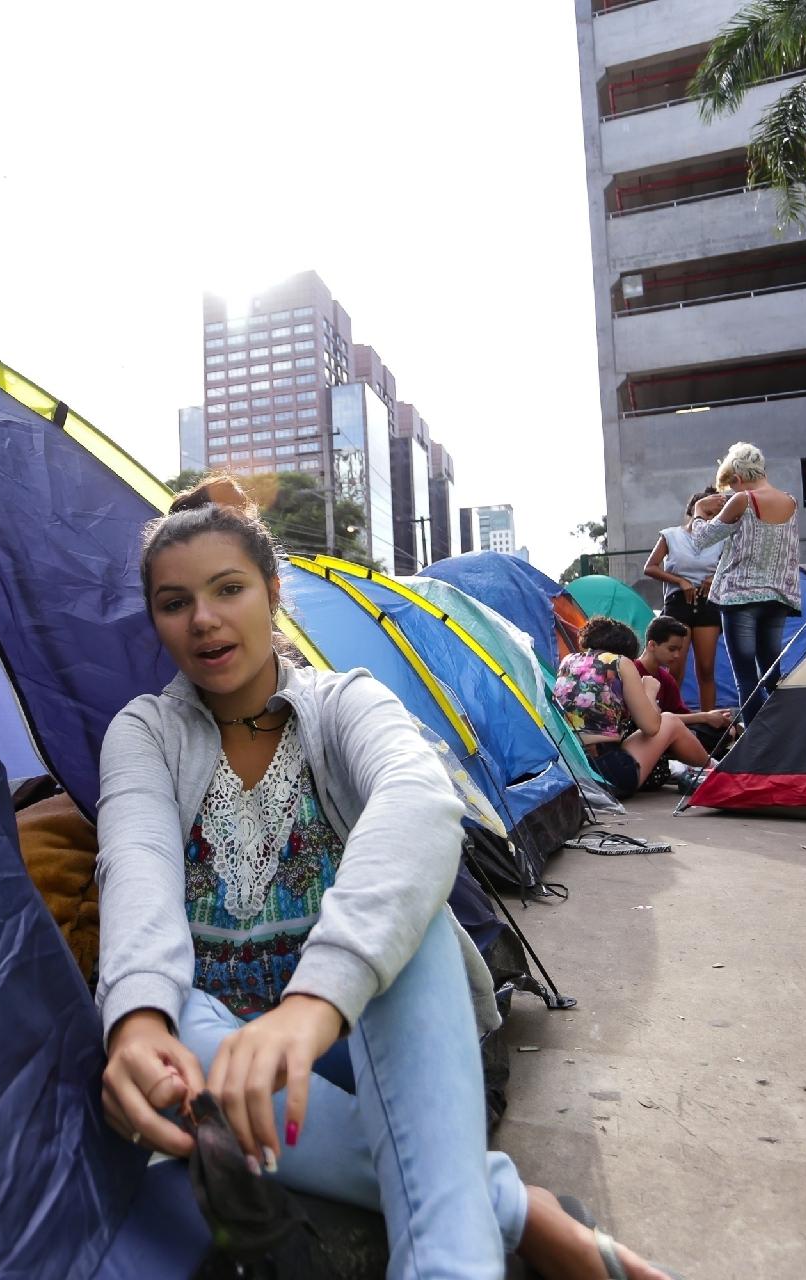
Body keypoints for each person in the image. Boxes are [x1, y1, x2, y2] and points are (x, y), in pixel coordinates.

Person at [96, 478, 670, 1279]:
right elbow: (136, 871)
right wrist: (131, 1024)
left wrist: (314, 1003)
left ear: (272, 592)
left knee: (421, 928)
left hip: (373, 1030)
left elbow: (421, 803)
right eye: (174, 601)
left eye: (228, 589)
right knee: (170, 1031)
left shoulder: (344, 703)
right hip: (227, 1051)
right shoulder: (145, 733)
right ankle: (512, 1207)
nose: (203, 620)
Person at [689, 443, 801, 726]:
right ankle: (785, 731)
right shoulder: (790, 502)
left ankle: (756, 746)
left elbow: (701, 539)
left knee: (746, 679)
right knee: (772, 674)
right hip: (778, 598)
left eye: (731, 486)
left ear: (737, 478)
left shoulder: (743, 500)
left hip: (740, 599)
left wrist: (700, 509)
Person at [549, 615, 714, 800]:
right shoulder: (621, 662)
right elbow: (651, 727)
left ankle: (709, 767)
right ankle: (718, 769)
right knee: (670, 721)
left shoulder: (569, 660)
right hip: (608, 773)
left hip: (571, 769)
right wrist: (649, 691)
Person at [642, 489, 724, 709]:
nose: (710, 518)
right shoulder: (670, 535)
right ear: (693, 510)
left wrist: (715, 578)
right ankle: (667, 717)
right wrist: (679, 581)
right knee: (675, 666)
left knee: (706, 668)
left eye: (715, 514)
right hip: (679, 603)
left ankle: (710, 725)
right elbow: (650, 567)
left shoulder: (722, 539)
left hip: (707, 602)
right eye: (707, 512)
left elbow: (732, 568)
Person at [634, 617, 737, 759]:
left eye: (680, 650)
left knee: (724, 731)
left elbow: (682, 716)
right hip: (640, 735)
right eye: (672, 649)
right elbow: (648, 721)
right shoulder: (632, 672)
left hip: (668, 734)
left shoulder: (666, 679)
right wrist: (704, 717)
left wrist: (710, 718)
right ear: (652, 645)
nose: (677, 655)